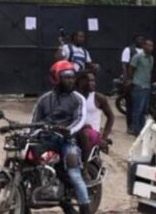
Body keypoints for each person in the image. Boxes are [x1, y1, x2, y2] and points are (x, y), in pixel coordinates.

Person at [32, 61, 91, 213]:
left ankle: (85, 207)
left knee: (74, 174)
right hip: (47, 139)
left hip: (67, 141)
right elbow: (34, 122)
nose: (71, 80)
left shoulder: (78, 99)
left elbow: (80, 119)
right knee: (29, 159)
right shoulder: (44, 99)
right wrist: (29, 134)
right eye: (66, 77)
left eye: (72, 77)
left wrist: (68, 131)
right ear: (56, 78)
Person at [74, 71, 115, 162]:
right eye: (89, 80)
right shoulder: (73, 97)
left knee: (84, 134)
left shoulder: (98, 98)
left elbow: (111, 117)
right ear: (80, 82)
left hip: (91, 135)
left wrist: (104, 137)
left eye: (93, 80)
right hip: (75, 132)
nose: (93, 83)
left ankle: (85, 166)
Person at [126, 40, 155, 135]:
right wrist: (130, 81)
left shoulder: (151, 58)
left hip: (147, 86)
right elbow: (131, 69)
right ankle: (135, 128)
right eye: (148, 45)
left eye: (152, 46)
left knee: (144, 110)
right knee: (137, 109)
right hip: (139, 86)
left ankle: (142, 129)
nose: (150, 47)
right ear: (144, 46)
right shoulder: (137, 57)